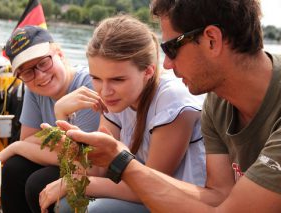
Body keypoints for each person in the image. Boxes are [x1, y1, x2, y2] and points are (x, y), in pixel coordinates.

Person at [56, 0, 281, 212]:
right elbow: (218, 195)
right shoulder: (217, 101)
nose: (166, 63)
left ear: (212, 39)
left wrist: (121, 161)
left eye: (171, 48)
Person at [40, 15, 206, 213]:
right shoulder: (117, 100)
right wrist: (62, 117)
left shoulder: (172, 101)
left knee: (96, 210)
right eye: (96, 78)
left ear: (148, 71)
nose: (104, 91)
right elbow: (98, 170)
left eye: (117, 80)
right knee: (61, 201)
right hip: (142, 191)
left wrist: (78, 182)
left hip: (180, 203)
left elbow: (152, 186)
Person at [0, 25, 100, 213]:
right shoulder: (35, 89)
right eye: (27, 72)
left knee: (38, 183)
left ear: (59, 53)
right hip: (71, 161)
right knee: (13, 169)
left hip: (93, 170)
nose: (39, 75)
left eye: (43, 62)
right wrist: (22, 146)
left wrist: (17, 146)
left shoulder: (89, 87)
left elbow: (85, 162)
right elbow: (28, 139)